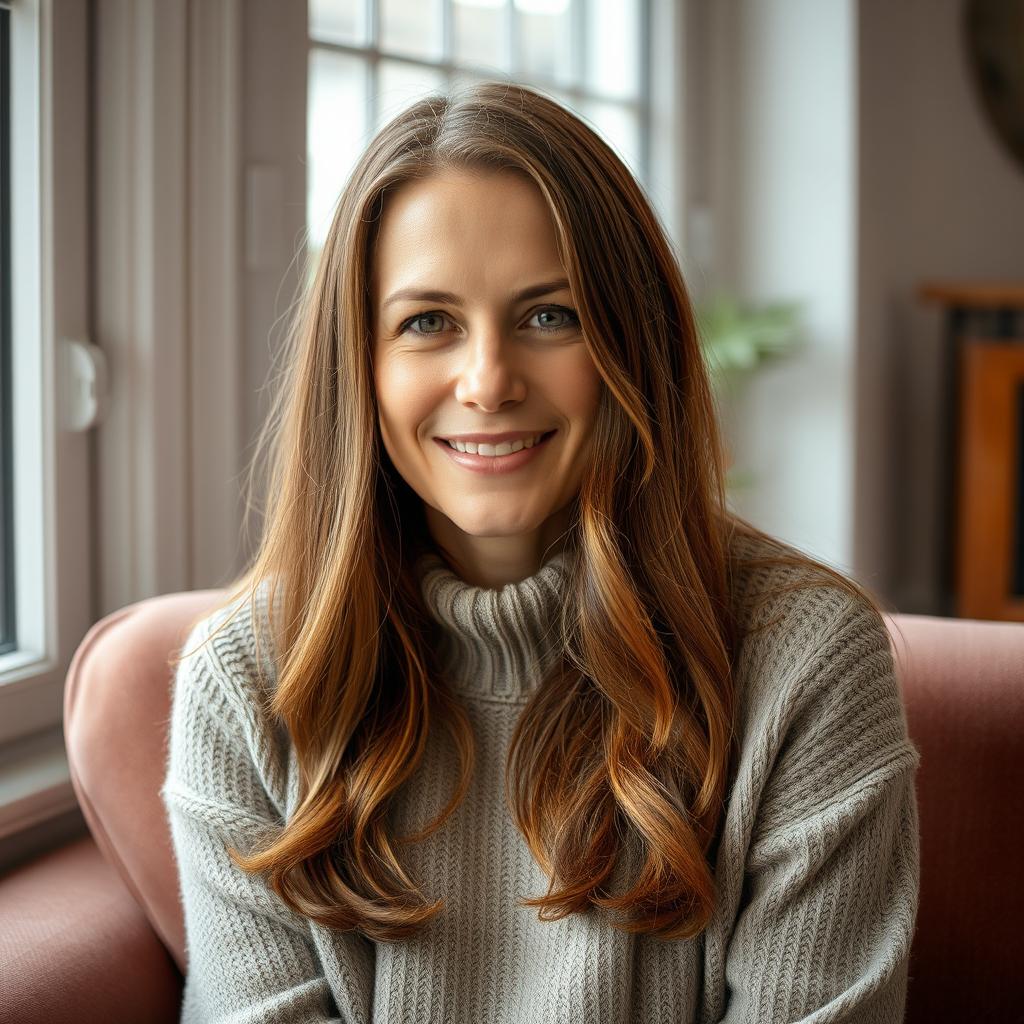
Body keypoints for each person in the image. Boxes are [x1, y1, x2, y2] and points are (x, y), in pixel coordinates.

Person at [160, 81, 921, 1023]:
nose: (487, 381)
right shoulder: (247, 682)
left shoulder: (807, 661)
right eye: (426, 322)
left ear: (630, 345)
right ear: (360, 364)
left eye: (549, 315)